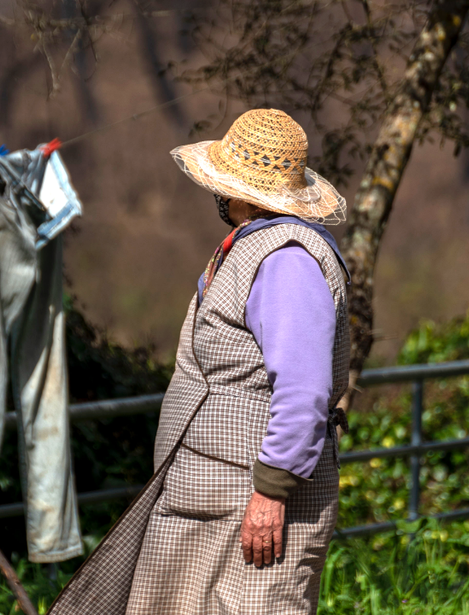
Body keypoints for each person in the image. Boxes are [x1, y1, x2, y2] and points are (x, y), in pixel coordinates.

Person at [49, 108, 349, 615]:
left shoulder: (287, 261)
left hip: (252, 505)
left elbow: (304, 391)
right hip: (215, 499)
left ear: (235, 190)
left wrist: (272, 493)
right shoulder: (255, 248)